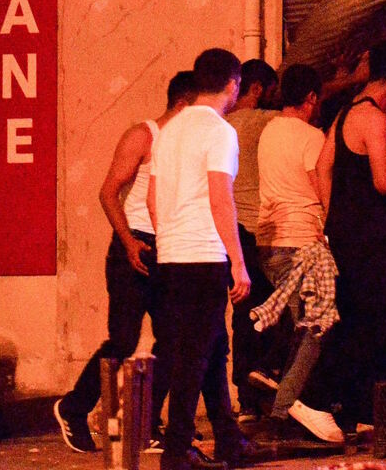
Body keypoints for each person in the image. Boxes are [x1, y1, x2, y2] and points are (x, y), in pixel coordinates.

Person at [293, 39, 386, 440]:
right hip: (369, 238)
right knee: (367, 322)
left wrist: (333, 216)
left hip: (347, 233)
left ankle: (362, 411)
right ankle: (313, 400)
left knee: (372, 320)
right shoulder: (374, 118)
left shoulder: (345, 114)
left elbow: (321, 169)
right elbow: (384, 181)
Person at [53, 71, 195, 453]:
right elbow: (107, 192)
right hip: (133, 245)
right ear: (183, 104)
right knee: (123, 338)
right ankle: (73, 407)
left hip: (169, 247)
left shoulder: (187, 144)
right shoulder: (143, 135)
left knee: (174, 339)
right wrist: (129, 241)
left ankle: (147, 424)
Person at [148, 48, 258, 470]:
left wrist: (169, 239)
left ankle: (228, 440)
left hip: (172, 255)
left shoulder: (169, 131)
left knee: (211, 348)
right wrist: (238, 260)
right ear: (233, 84)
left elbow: (152, 200)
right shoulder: (219, 131)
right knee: (194, 355)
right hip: (203, 255)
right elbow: (220, 198)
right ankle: (177, 451)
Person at [253, 63, 339, 438]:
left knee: (300, 327)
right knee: (316, 329)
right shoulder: (312, 137)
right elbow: (321, 189)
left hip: (268, 242)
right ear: (310, 99)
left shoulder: (268, 131)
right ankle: (281, 407)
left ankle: (277, 393)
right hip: (302, 240)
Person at [225, 59, 281, 421]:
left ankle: (246, 399)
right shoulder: (263, 121)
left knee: (242, 316)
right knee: (270, 313)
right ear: (258, 88)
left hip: (230, 232)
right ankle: (267, 392)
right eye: (272, 92)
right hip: (258, 231)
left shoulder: (223, 125)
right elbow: (297, 116)